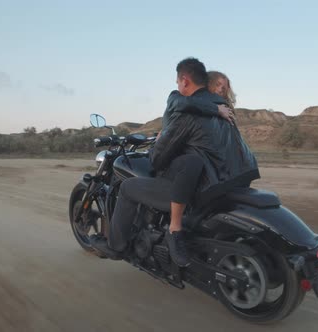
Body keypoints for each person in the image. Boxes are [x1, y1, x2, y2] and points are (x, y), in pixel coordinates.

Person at [92, 58, 259, 267]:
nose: (177, 87)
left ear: (185, 80)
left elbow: (158, 159)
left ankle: (116, 247)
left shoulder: (186, 111)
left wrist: (160, 142)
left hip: (208, 185)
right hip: (239, 177)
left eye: (178, 82)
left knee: (127, 188)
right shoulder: (225, 109)